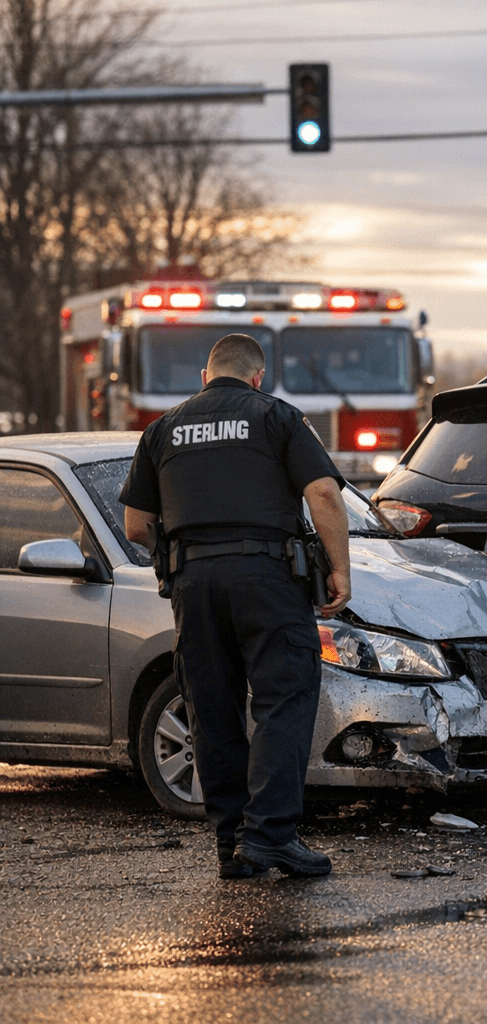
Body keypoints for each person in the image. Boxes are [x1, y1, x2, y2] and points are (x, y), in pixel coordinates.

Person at [120, 334, 352, 879]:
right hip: (267, 579)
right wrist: (339, 568)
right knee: (282, 699)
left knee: (211, 707)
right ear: (257, 377)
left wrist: (183, 558)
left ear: (204, 377)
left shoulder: (163, 428)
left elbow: (135, 525)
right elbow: (323, 493)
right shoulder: (276, 417)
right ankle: (270, 838)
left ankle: (232, 846)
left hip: (193, 584)